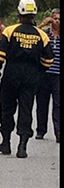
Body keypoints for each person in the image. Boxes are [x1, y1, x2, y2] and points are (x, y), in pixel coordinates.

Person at [0, 0, 55, 158]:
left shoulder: (10, 31)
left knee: (7, 108)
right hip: (31, 75)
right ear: (34, 14)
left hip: (12, 73)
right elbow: (49, 59)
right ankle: (22, 147)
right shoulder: (42, 35)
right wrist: (39, 72)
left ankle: (6, 143)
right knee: (26, 109)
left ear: (20, 13)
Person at [35, 8, 60, 142]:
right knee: (42, 102)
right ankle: (40, 130)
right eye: (55, 18)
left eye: (59, 19)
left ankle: (58, 130)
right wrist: (43, 24)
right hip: (44, 73)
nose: (57, 22)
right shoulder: (45, 34)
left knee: (58, 104)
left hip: (58, 74)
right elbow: (33, 34)